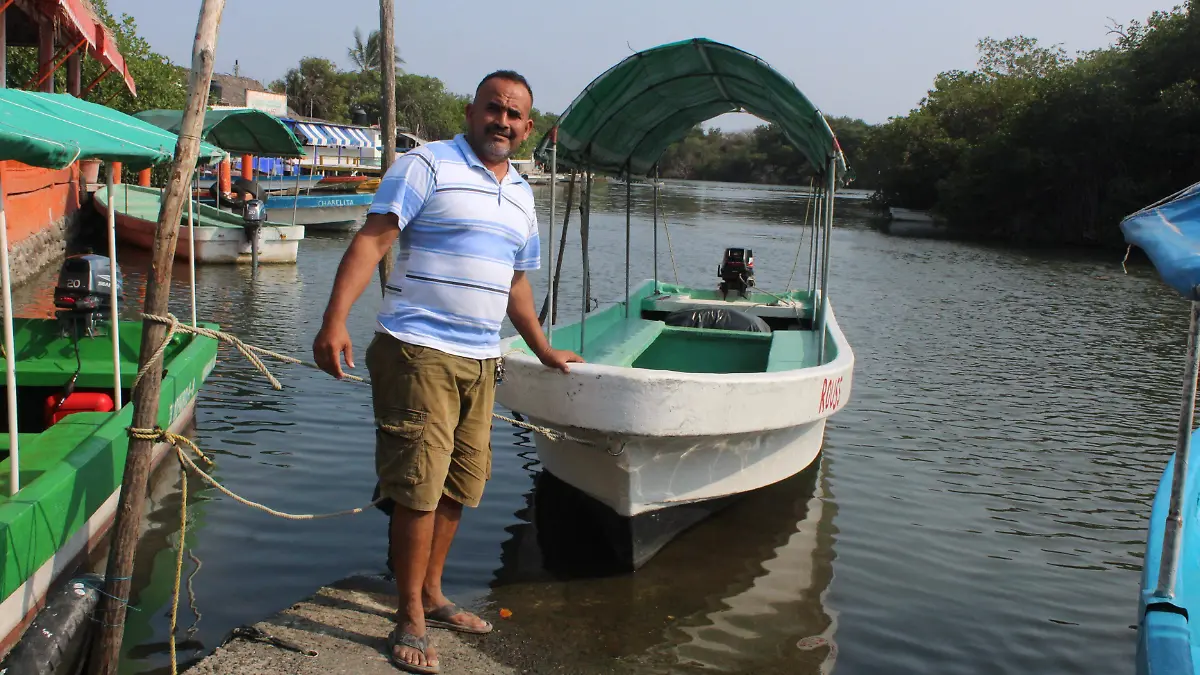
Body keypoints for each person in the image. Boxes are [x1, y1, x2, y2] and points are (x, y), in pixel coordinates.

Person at [312, 70, 582, 674]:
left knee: (462, 481)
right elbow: (372, 243)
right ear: (471, 111)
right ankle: (407, 613)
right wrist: (335, 323)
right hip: (417, 350)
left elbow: (516, 284)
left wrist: (542, 350)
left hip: (482, 357)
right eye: (494, 109)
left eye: (514, 115)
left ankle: (433, 593)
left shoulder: (521, 192)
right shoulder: (426, 165)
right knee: (418, 484)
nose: (502, 122)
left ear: (528, 127)